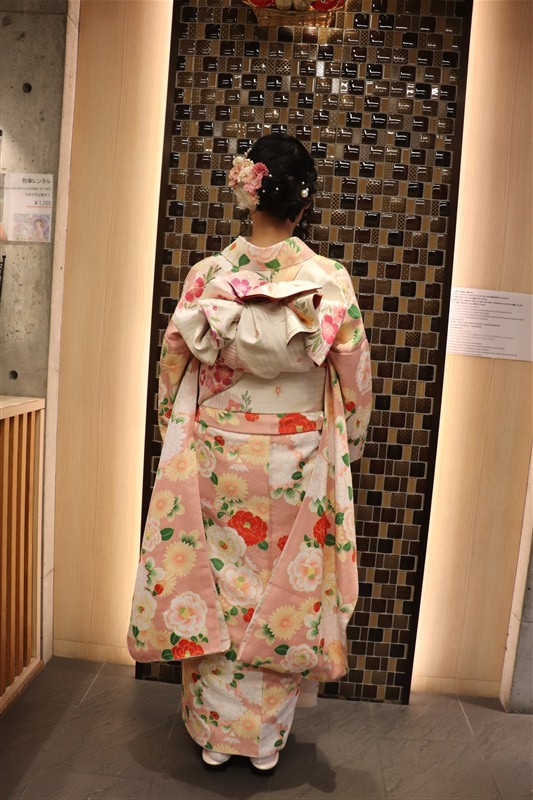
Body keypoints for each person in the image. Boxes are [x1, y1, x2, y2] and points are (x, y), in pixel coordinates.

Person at [127, 133, 372, 773]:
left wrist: (172, 427)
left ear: (249, 194)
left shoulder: (209, 276)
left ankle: (215, 735)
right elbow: (353, 378)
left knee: (216, 582)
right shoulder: (328, 280)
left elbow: (173, 367)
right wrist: (350, 440)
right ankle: (265, 741)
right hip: (298, 453)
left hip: (218, 453)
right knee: (282, 590)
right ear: (304, 205)